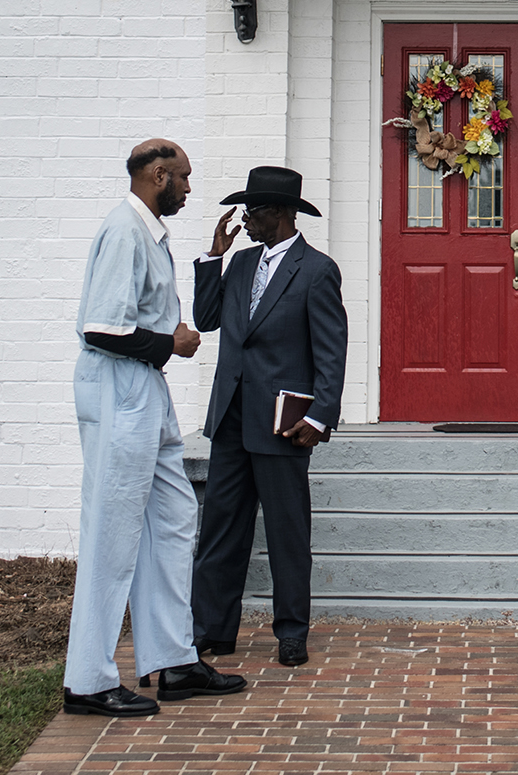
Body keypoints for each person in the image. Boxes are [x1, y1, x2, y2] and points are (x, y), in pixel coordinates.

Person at [62, 139, 247, 717]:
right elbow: (100, 329)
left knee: (172, 517)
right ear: (158, 175)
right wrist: (172, 342)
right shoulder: (124, 230)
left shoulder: (150, 235)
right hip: (119, 388)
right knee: (114, 532)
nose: (190, 189)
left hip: (147, 389)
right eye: (185, 179)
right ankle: (87, 681)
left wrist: (168, 340)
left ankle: (173, 660)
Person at [191, 165, 348, 669]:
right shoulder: (237, 265)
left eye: (252, 211)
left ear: (278, 213)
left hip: (282, 423)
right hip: (232, 419)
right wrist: (212, 259)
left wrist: (321, 417)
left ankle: (291, 632)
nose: (244, 220)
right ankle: (212, 630)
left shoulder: (317, 270)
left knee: (286, 532)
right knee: (220, 530)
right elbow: (206, 319)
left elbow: (331, 351)